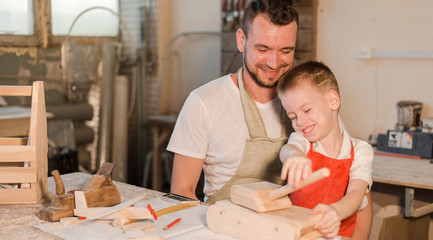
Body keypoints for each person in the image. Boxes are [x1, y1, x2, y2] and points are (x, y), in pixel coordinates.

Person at [167, 0, 298, 203]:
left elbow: (350, 175)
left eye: (285, 51)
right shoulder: (204, 103)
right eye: (263, 49)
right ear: (241, 40)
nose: (274, 63)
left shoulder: (308, 103)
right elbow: (182, 191)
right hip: (222, 230)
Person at [277, 61, 373, 239]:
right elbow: (288, 149)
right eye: (293, 116)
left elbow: (357, 193)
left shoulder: (360, 151)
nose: (299, 122)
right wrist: (294, 155)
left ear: (332, 101)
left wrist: (335, 212)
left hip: (339, 235)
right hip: (298, 233)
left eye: (306, 110)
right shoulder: (303, 143)